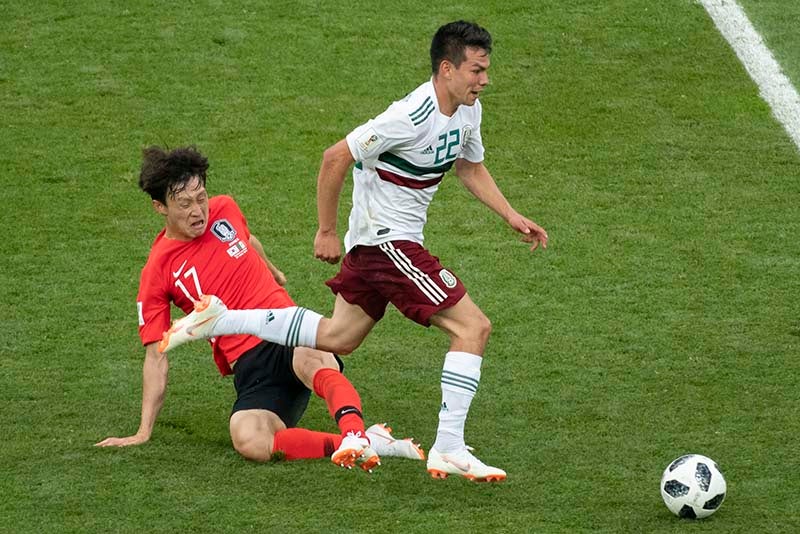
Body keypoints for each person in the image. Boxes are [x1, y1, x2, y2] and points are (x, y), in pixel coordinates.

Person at [160, 21, 547, 482]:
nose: (484, 80)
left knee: (337, 337)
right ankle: (449, 447)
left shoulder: (467, 113)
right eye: (476, 70)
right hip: (387, 243)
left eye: (486, 70)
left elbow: (468, 166)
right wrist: (326, 230)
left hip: (381, 248)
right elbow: (334, 157)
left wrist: (510, 215)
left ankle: (219, 320)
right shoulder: (408, 116)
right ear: (447, 69)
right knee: (473, 327)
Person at [95, 145, 424, 471]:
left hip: (283, 327)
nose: (198, 211)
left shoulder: (224, 209)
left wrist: (273, 271)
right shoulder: (158, 270)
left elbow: (247, 240)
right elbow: (156, 355)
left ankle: (353, 432)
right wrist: (142, 431)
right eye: (184, 204)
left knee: (314, 355)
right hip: (250, 367)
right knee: (248, 439)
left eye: (201, 197)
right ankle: (368, 442)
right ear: (159, 207)